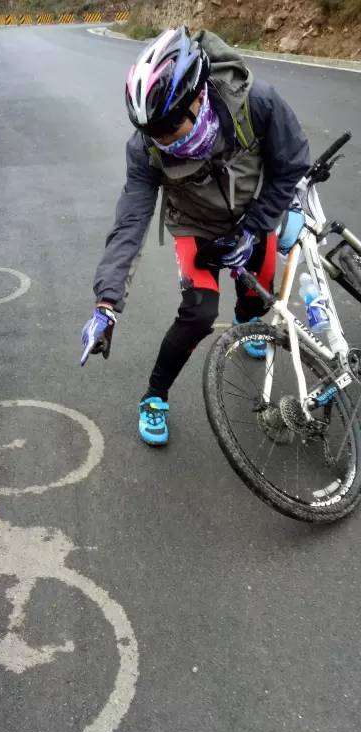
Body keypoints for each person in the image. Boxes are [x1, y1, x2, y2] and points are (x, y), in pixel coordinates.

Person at [80, 27, 310, 445]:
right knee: (199, 314)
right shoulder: (146, 148)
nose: (164, 143)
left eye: (170, 130)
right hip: (195, 225)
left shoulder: (257, 103)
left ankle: (246, 323)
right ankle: (154, 396)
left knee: (257, 296)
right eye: (155, 134)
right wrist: (107, 302)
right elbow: (131, 222)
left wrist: (255, 227)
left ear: (198, 96)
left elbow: (292, 165)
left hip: (254, 212)